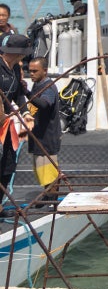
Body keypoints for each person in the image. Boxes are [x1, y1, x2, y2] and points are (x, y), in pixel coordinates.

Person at [0, 33, 35, 209]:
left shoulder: (14, 69)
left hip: (5, 123)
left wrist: (26, 113)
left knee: (8, 164)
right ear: (18, 52)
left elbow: (19, 94)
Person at [26, 57, 62, 195]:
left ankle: (52, 199)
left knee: (49, 173)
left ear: (45, 71)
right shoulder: (36, 85)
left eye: (35, 71)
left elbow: (44, 104)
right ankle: (48, 196)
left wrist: (26, 93)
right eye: (30, 71)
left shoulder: (49, 87)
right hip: (38, 136)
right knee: (41, 171)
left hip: (47, 139)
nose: (31, 74)